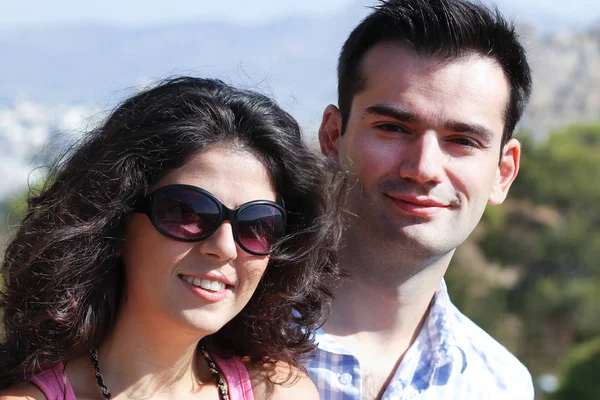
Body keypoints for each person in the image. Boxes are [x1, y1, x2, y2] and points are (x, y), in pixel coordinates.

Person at [0, 77, 342, 399]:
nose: (223, 248)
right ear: (116, 220)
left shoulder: (279, 391)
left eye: (257, 225)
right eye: (187, 213)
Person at [306, 0, 534, 398]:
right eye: (393, 128)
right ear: (332, 137)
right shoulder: (213, 333)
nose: (423, 167)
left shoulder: (500, 385)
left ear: (503, 173)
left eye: (462, 141)